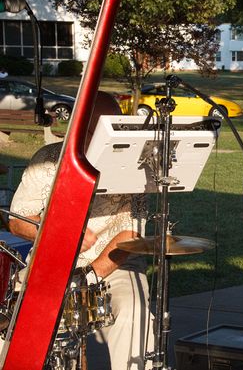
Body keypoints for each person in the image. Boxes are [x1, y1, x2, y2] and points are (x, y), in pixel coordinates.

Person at [7, 91, 154, 369]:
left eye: (116, 125)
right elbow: (17, 220)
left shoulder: (134, 167)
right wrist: (59, 231)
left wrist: (88, 276)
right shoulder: (48, 158)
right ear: (79, 125)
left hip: (115, 265)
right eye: (98, 126)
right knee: (13, 319)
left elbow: (131, 234)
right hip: (51, 262)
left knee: (135, 315)